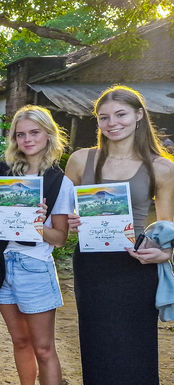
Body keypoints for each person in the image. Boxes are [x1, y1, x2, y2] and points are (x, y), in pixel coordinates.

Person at [65, 85, 174, 385]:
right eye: (104, 117)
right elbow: (58, 212)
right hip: (92, 267)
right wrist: (70, 219)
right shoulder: (80, 160)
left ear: (139, 115)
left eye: (121, 114)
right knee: (97, 345)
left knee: (136, 350)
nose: (112, 123)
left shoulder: (162, 167)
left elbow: (168, 228)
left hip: (136, 267)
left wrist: (165, 253)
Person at [0, 106, 71, 385]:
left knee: (43, 348)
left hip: (35, 267)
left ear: (48, 134)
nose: (27, 139)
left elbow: (59, 238)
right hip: (1, 263)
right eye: (21, 134)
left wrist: (37, 225)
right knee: (20, 341)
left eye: (34, 132)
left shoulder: (59, 180)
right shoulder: (3, 175)